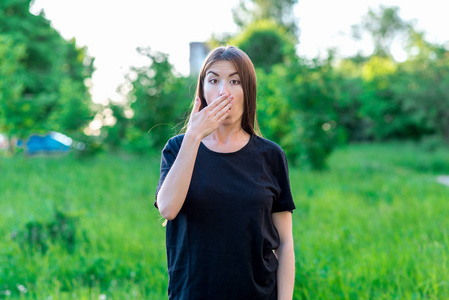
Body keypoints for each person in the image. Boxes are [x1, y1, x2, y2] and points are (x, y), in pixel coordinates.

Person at [155, 45, 296, 300]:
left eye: (235, 81)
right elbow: (167, 208)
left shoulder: (271, 156)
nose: (223, 91)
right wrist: (194, 137)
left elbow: (285, 243)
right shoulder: (178, 148)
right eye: (213, 80)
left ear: (248, 90)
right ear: (202, 90)